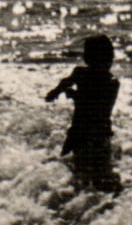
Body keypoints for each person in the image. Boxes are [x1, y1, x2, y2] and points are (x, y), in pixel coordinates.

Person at [46, 34, 121, 191]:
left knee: (88, 171)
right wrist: (56, 91)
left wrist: (72, 94)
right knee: (73, 167)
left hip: (93, 134)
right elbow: (66, 82)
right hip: (87, 133)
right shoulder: (92, 76)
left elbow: (98, 107)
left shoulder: (110, 82)